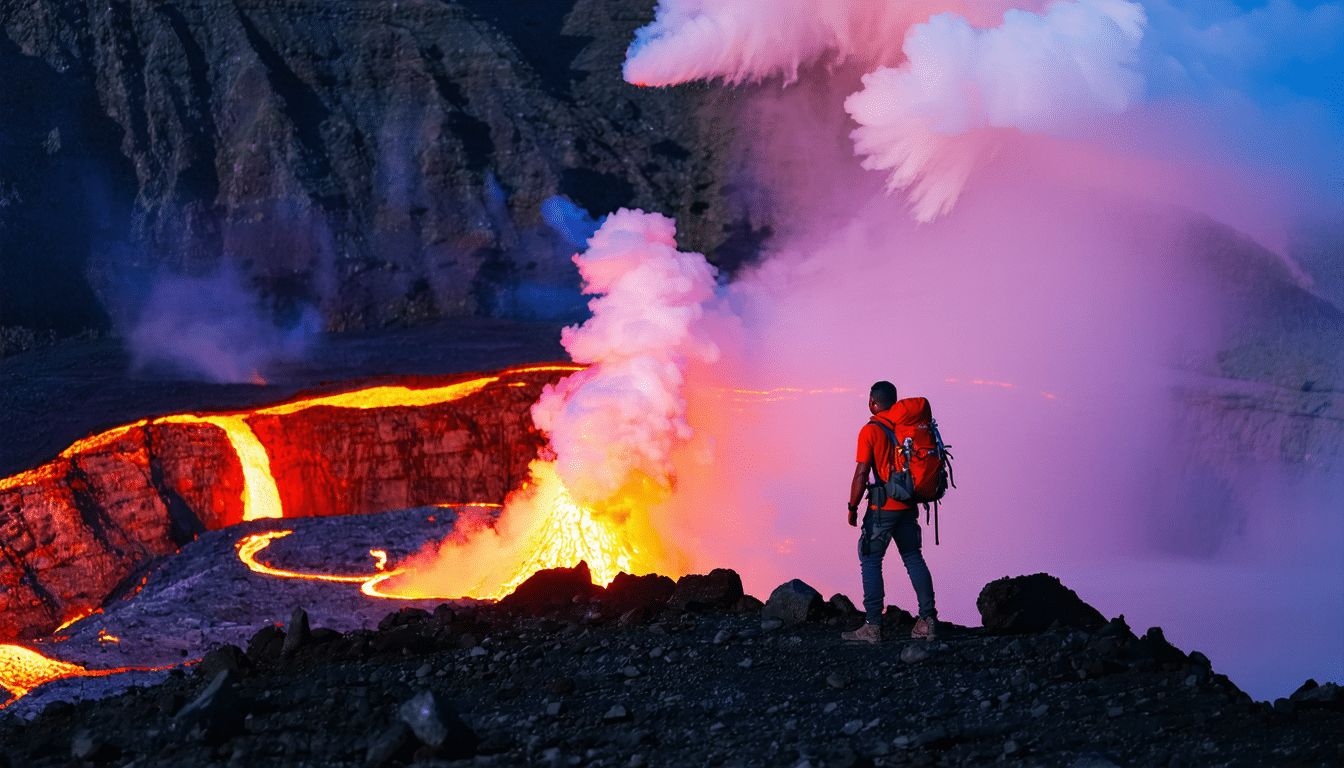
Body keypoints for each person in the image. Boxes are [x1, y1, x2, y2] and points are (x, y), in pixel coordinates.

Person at [840, 380, 937, 643]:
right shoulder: (904, 427)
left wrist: (852, 507)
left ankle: (873, 626)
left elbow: (861, 474)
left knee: (871, 561)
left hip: (882, 509)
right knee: (913, 559)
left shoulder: (870, 431)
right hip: (908, 505)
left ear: (873, 402)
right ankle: (928, 620)